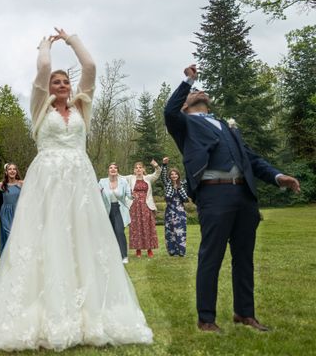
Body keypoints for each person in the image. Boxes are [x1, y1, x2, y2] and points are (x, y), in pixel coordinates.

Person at [0, 28, 152, 351]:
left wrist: (72, 40)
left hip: (80, 181)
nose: (61, 84)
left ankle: (87, 313)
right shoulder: (40, 108)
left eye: (65, 81)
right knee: (48, 237)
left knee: (82, 240)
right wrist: (45, 47)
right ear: (47, 87)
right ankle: (44, 311)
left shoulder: (82, 107)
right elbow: (43, 69)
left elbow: (91, 68)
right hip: (48, 181)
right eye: (56, 82)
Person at [164, 63, 300, 332]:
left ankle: (245, 313)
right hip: (214, 194)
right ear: (185, 106)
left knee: (244, 256)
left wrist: (277, 176)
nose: (201, 91)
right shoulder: (184, 124)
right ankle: (206, 318)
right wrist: (188, 82)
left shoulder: (228, 126)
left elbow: (251, 159)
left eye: (202, 89)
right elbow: (169, 111)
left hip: (244, 195)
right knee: (211, 256)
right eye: (195, 92)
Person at [125, 160, 161, 258]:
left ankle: (149, 250)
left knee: (148, 226)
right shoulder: (130, 178)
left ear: (143, 169)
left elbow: (157, 173)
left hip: (146, 206)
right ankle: (138, 250)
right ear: (134, 170)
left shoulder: (148, 178)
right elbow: (118, 178)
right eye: (136, 168)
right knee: (136, 228)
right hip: (134, 207)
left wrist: (156, 166)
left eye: (140, 167)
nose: (138, 169)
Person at [98, 162, 132, 264]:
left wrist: (133, 196)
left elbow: (129, 195)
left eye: (115, 168)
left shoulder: (123, 182)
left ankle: (124, 256)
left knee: (119, 232)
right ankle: (109, 256)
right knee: (108, 233)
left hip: (119, 209)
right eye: (111, 168)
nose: (113, 169)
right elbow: (97, 194)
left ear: (117, 171)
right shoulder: (102, 182)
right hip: (107, 210)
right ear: (108, 170)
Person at [0, 164, 23, 254]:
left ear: (16, 171)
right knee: (9, 233)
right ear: (6, 172)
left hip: (18, 212)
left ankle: (17, 254)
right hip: (6, 212)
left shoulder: (21, 183)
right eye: (10, 169)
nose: (12, 171)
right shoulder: (2, 185)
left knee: (17, 234)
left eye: (14, 169)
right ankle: (7, 254)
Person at [160, 157, 190, 257]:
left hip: (180, 210)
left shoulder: (182, 184)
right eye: (172, 174)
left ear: (178, 175)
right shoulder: (167, 184)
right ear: (170, 176)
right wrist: (164, 165)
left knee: (181, 230)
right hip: (170, 210)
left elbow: (190, 177)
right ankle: (172, 251)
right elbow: (163, 176)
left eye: (175, 174)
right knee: (170, 231)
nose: (174, 176)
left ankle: (181, 251)